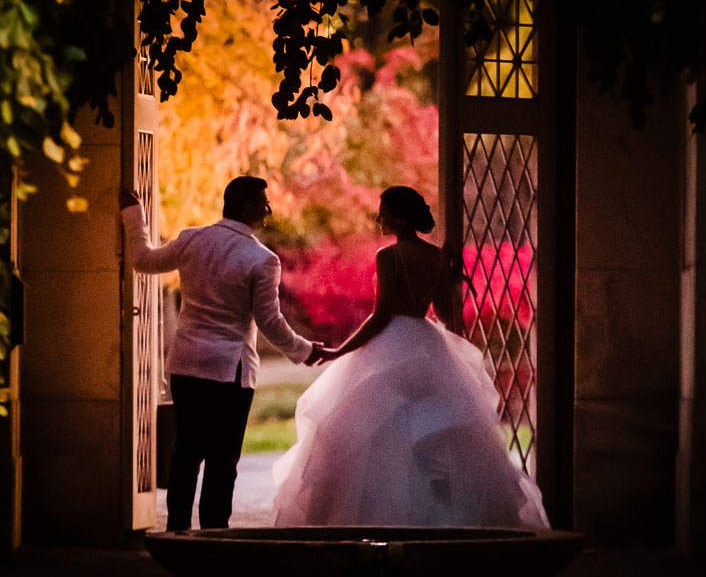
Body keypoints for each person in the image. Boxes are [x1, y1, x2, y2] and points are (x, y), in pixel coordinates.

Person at [271, 184, 549, 529]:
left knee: (381, 433)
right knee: (430, 430)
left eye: (384, 211)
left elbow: (382, 315)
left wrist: (340, 351)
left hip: (392, 342)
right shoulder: (436, 258)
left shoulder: (389, 257)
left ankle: (380, 519)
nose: (379, 218)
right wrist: (449, 280)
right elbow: (447, 316)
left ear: (400, 218)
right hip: (427, 342)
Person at [119, 175, 324, 531]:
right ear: (245, 206)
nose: (268, 208)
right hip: (230, 371)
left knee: (185, 453)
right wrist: (304, 351)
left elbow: (142, 260)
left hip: (185, 365)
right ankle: (214, 532)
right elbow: (270, 322)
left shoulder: (192, 239)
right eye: (263, 202)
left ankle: (177, 531)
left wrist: (133, 214)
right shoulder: (262, 259)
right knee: (222, 459)